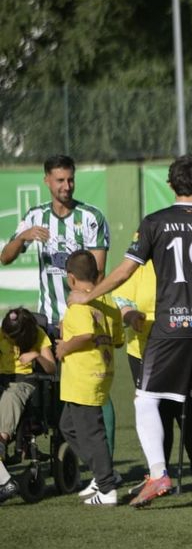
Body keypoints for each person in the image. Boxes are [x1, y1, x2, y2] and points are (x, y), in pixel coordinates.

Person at [70, 154, 192, 507]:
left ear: (171, 184)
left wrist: (88, 295)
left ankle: (158, 472)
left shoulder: (155, 222)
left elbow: (123, 272)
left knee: (146, 400)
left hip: (171, 326)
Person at [0, 154, 115, 463]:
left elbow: (98, 274)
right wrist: (23, 236)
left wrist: (79, 313)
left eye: (70, 179)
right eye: (60, 180)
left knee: (93, 388)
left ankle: (104, 458)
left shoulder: (90, 217)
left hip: (82, 320)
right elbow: (5, 256)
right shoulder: (36, 216)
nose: (67, 186)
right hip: (49, 321)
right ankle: (67, 455)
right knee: (53, 393)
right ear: (47, 181)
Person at [112, 263, 192, 497]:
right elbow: (122, 300)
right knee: (158, 414)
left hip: (182, 346)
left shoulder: (184, 261)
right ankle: (159, 476)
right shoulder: (137, 266)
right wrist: (131, 314)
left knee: (191, 411)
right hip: (143, 351)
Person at [55, 250, 124, 505]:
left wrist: (64, 347)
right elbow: (118, 341)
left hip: (83, 375)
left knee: (91, 433)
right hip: (101, 372)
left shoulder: (77, 303)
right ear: (97, 275)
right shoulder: (107, 300)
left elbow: (84, 334)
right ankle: (104, 471)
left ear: (71, 279)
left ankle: (106, 488)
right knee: (68, 426)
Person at [0, 308, 55, 504]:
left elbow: (51, 368)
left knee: (10, 398)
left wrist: (36, 354)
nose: (5, 336)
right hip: (3, 379)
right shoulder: (2, 333)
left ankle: (2, 444)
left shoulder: (38, 335)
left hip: (24, 382)